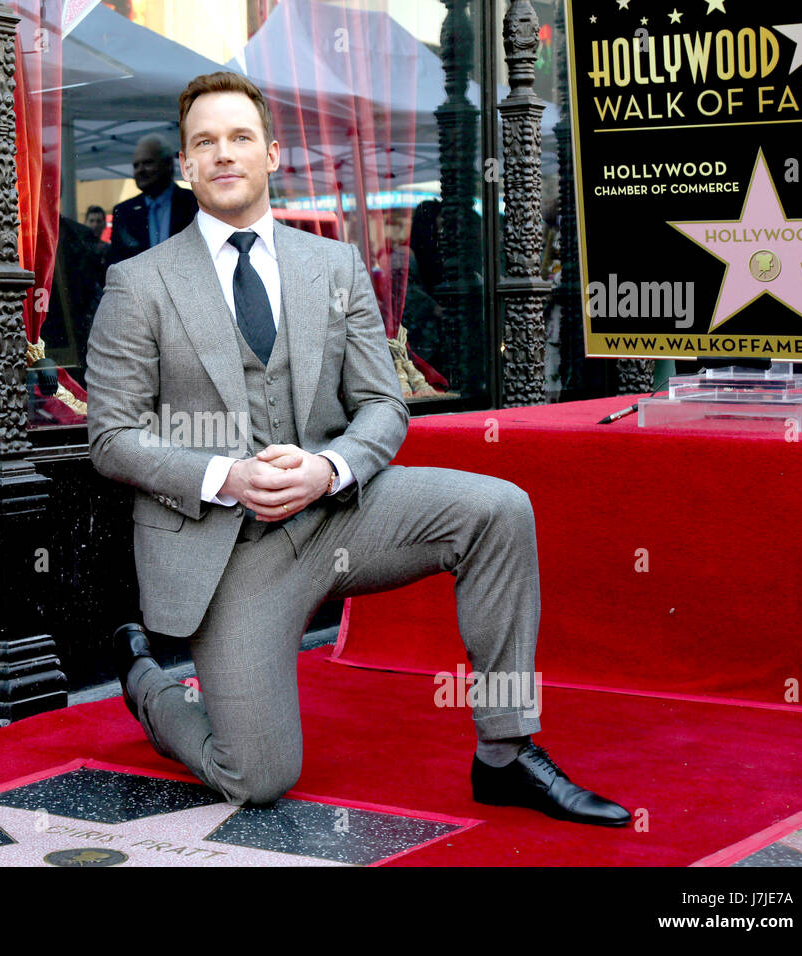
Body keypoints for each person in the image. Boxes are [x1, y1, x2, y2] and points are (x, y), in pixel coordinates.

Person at [87, 72, 628, 826]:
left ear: (273, 153)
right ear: (185, 165)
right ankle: (150, 687)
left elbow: (382, 404)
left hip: (341, 515)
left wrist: (329, 466)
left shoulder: (333, 267)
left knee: (500, 509)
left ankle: (506, 751)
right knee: (259, 776)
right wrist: (225, 476)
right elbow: (111, 437)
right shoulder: (137, 283)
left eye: (240, 137)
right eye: (204, 143)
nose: (223, 155)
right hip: (228, 552)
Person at [104, 134, 199, 267]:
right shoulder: (123, 212)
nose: (140, 170)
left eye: (148, 163)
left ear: (168, 164)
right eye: (136, 165)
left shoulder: (194, 203)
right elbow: (116, 263)